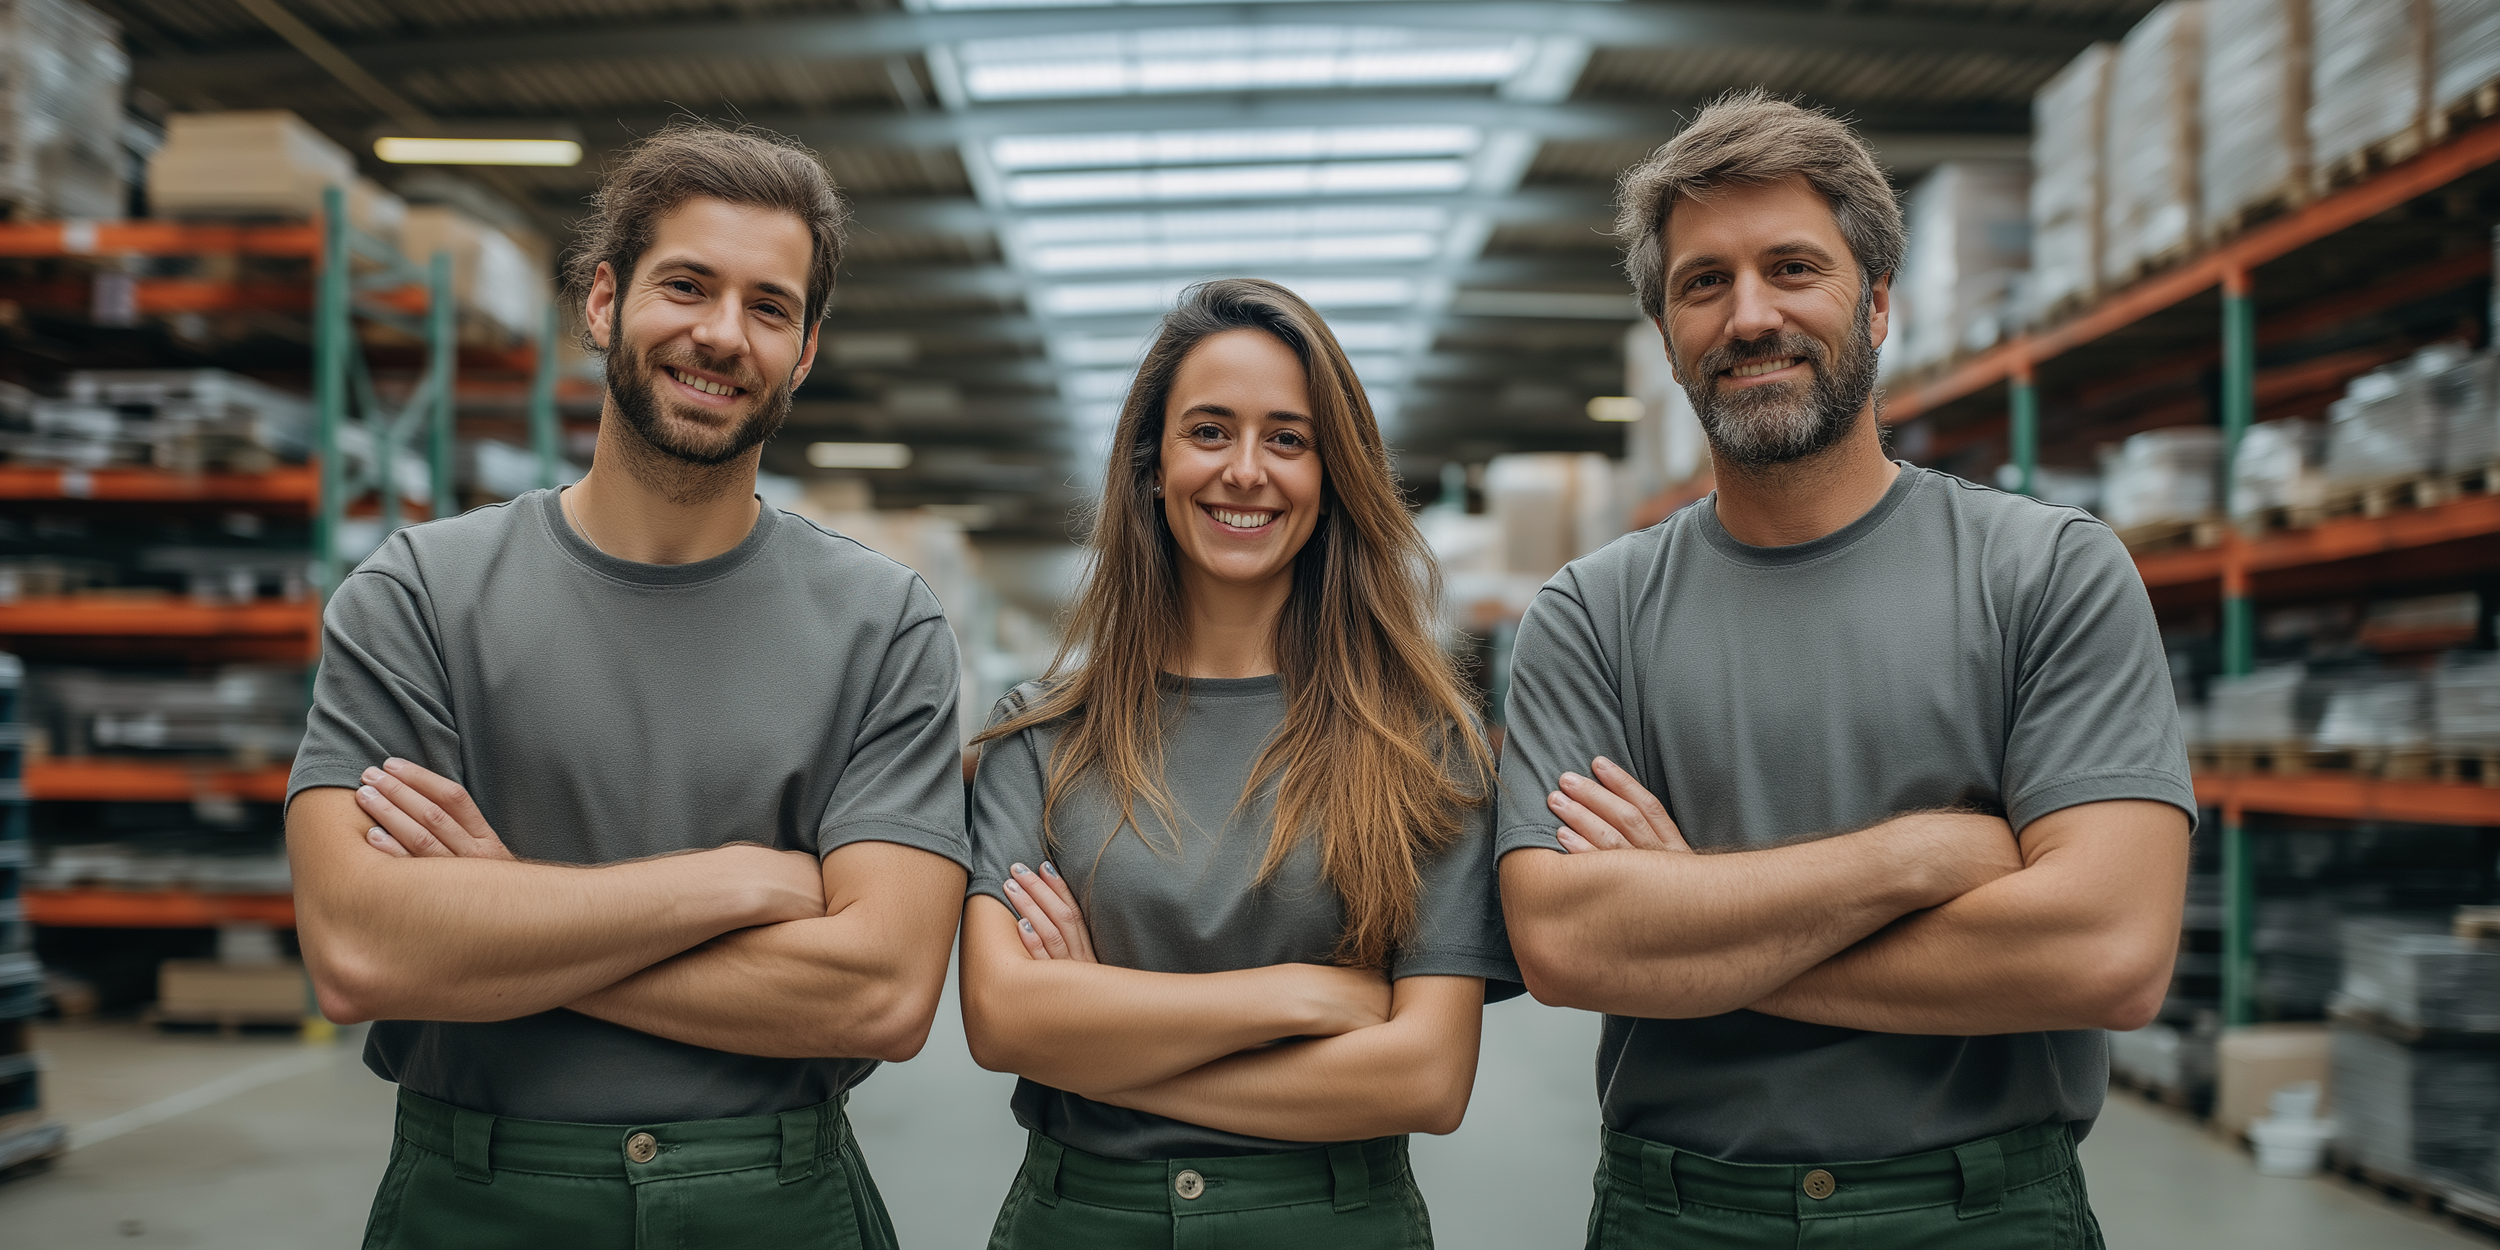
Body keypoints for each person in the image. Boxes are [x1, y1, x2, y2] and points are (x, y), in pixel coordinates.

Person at [1496, 90, 2195, 1249]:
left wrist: (1695, 935)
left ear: (1875, 304)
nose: (1749, 314)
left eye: (1791, 267)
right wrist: (1925, 853)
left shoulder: (2047, 573)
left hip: (1982, 1212)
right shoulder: (1590, 612)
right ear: (1667, 331)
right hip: (1681, 1215)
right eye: (1702, 282)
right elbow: (1568, 945)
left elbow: (2107, 951)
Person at [286, 122, 969, 1250]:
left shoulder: (882, 624)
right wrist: (743, 878)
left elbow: (881, 994)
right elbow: (363, 950)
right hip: (478, 1199)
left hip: (778, 1204)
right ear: (603, 302)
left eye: (768, 306)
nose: (721, 334)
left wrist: (502, 913)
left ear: (802, 353)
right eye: (687, 285)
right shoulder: (418, 595)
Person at [959, 278, 1517, 1249]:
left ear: (1332, 472)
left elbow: (1424, 1076)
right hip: (1082, 1222)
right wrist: (1297, 995)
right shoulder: (1037, 737)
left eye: (1288, 438)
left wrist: (1098, 1032)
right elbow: (1004, 1018)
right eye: (1209, 430)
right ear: (1152, 463)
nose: (1245, 470)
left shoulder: (1423, 744)